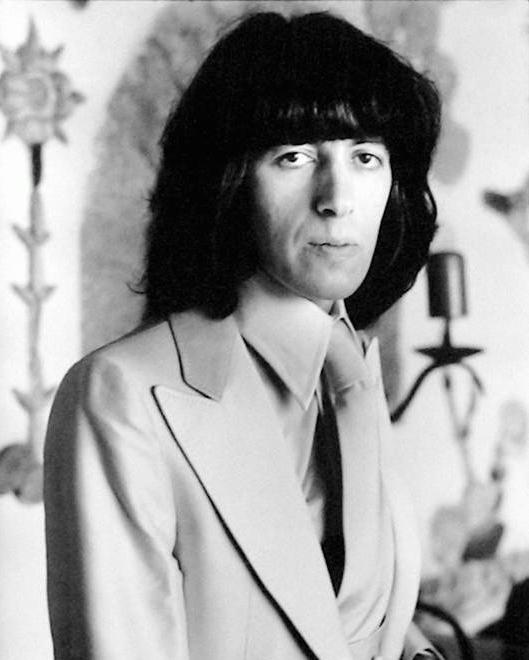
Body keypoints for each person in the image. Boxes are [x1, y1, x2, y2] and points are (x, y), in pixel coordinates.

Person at [44, 10, 442, 660]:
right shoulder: (121, 394)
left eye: (366, 157)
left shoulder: (351, 372)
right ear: (227, 181)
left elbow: (352, 623)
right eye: (294, 156)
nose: (337, 198)